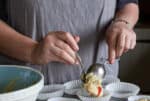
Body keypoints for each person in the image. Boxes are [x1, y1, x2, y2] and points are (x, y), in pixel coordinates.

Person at [0, 0, 139, 84]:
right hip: (25, 94)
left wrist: (123, 23)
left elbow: (128, 3)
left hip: (102, 94)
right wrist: (33, 51)